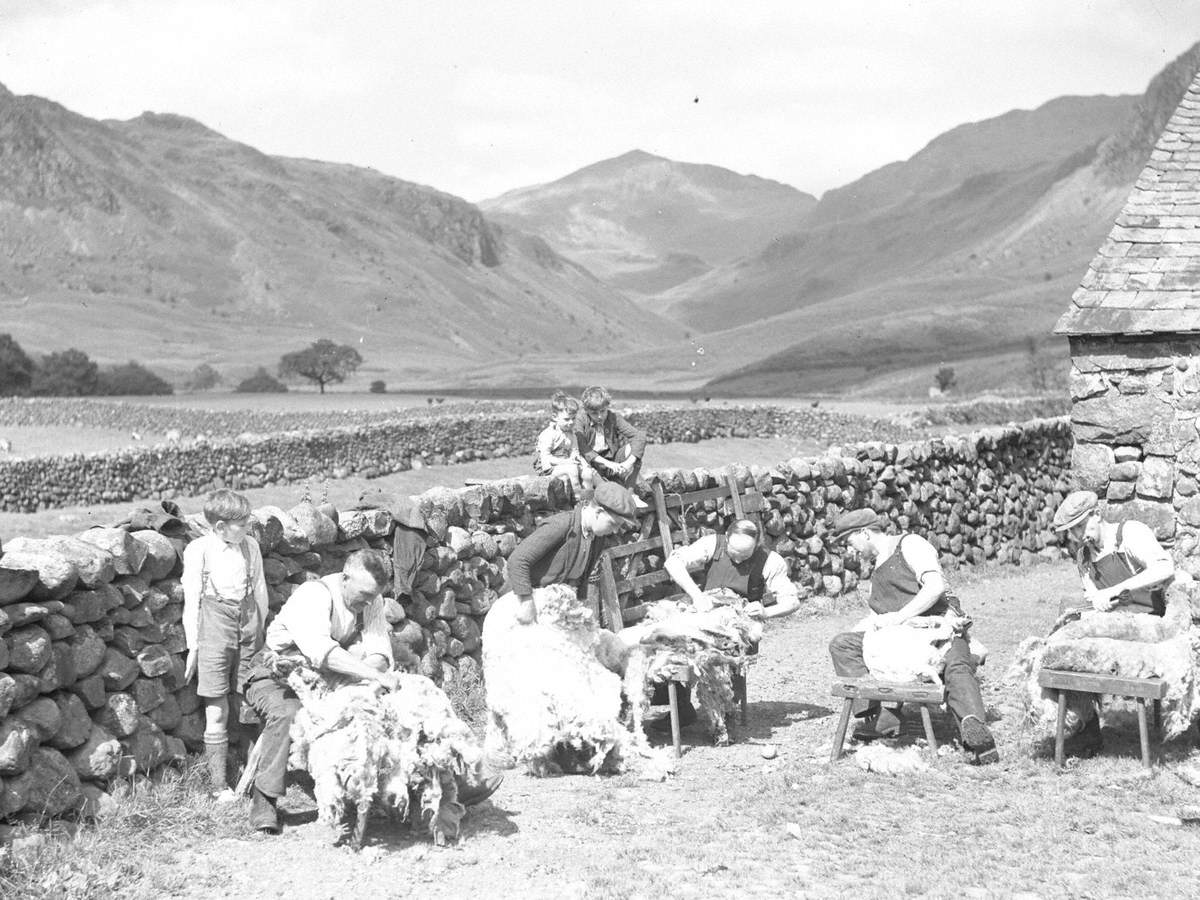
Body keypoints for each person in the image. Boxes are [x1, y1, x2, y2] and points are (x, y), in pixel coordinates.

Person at [242, 550, 504, 833]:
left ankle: (451, 784)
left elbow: (380, 653)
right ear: (345, 579)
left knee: (407, 702)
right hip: (278, 674)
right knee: (288, 713)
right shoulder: (314, 596)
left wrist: (368, 680)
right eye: (364, 594)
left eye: (373, 596)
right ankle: (264, 803)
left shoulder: (371, 600)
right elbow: (323, 652)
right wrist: (371, 675)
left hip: (334, 675)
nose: (368, 602)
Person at [826, 508, 999, 765]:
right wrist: (867, 629)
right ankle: (883, 717)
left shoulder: (911, 545)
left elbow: (935, 587)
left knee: (956, 665)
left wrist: (900, 617)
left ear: (864, 533)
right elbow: (879, 616)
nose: (850, 550)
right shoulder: (877, 570)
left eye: (849, 542)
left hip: (938, 626)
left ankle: (975, 731)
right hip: (901, 638)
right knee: (842, 645)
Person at [1049, 490, 1176, 755]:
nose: (1078, 535)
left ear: (1097, 514)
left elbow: (1165, 567)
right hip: (1112, 628)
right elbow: (1094, 597)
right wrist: (1097, 605)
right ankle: (1085, 728)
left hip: (1148, 627)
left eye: (1081, 526)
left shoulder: (1129, 534)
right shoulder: (1084, 557)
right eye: (1072, 531)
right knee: (1064, 650)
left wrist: (1115, 590)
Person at [659, 518, 802, 726]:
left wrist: (765, 611)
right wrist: (697, 595)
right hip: (704, 611)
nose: (738, 559)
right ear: (727, 538)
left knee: (730, 644)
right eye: (734, 552)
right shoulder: (712, 544)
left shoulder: (771, 561)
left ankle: (726, 709)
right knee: (672, 639)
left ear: (757, 545)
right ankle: (682, 709)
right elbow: (672, 563)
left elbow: (792, 601)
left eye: (745, 555)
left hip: (736, 620)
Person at [181, 489, 269, 798]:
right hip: (214, 627)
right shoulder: (199, 550)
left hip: (249, 623)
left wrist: (260, 634)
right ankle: (219, 786)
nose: (248, 527)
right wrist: (194, 647)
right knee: (216, 705)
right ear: (220, 527)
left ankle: (254, 779)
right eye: (241, 524)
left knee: (248, 700)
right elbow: (192, 601)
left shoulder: (250, 546)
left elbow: (260, 592)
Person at [501, 481, 640, 626]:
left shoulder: (597, 537)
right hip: (523, 601)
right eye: (613, 524)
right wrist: (527, 602)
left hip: (553, 607)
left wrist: (580, 603)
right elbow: (518, 560)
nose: (616, 531)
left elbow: (582, 575)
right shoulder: (561, 525)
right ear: (598, 512)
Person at [574, 386, 646, 488]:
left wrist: (628, 463)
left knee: (632, 449)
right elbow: (583, 447)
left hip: (613, 460)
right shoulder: (580, 419)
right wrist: (608, 464)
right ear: (586, 410)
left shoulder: (613, 417)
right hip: (592, 463)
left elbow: (638, 436)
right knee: (604, 488)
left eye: (603, 411)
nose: (599, 416)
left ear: (607, 406)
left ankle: (635, 490)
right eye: (594, 413)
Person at [533, 391, 594, 495]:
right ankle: (577, 497)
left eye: (573, 418)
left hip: (566, 462)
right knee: (573, 470)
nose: (571, 422)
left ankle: (589, 497)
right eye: (566, 419)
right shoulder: (549, 434)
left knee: (588, 472)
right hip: (548, 467)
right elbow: (545, 457)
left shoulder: (572, 434)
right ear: (555, 416)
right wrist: (566, 462)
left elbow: (575, 452)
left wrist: (583, 463)